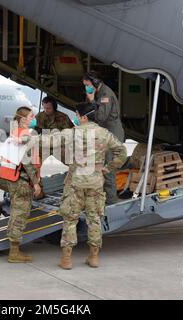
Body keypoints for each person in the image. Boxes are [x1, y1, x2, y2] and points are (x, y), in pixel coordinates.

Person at [58, 102, 127, 270]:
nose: (75, 117)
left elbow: (49, 142)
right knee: (94, 218)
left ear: (83, 117)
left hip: (76, 181)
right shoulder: (104, 133)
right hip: (95, 181)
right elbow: (122, 152)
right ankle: (94, 257)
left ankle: (67, 259)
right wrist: (108, 168)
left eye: (76, 114)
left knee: (70, 219)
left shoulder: (73, 133)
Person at [0, 106, 42, 263]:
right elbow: (28, 163)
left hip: (11, 179)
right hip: (21, 181)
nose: (33, 118)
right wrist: (36, 184)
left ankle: (12, 246)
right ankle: (14, 252)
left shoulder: (14, 134)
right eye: (30, 116)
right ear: (22, 119)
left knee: (16, 212)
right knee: (20, 215)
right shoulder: (26, 135)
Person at [83, 71, 125, 205]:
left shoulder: (105, 95)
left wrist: (91, 100)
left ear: (95, 82)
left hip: (112, 133)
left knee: (108, 166)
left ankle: (112, 201)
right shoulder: (100, 93)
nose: (86, 88)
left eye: (87, 85)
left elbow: (101, 116)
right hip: (106, 132)